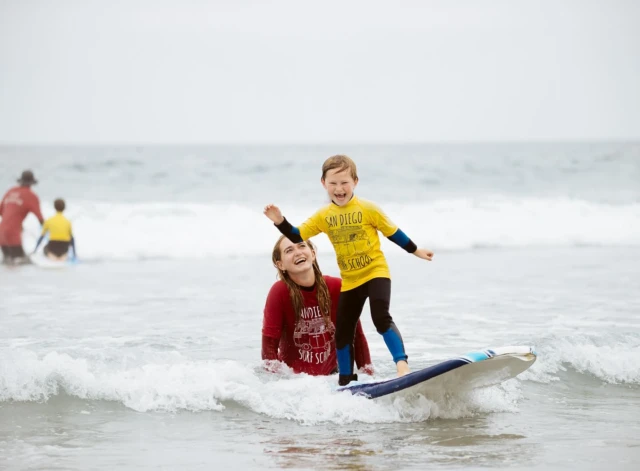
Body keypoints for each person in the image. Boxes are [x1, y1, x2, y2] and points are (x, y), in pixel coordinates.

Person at [264, 155, 433, 386]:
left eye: (344, 182)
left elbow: (392, 232)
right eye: (333, 183)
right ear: (323, 183)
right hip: (351, 280)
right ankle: (345, 381)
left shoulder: (368, 209)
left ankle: (402, 365)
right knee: (343, 332)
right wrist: (280, 221)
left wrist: (415, 251)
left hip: (375, 272)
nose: (339, 188)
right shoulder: (324, 216)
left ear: (355, 181)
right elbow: (297, 234)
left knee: (380, 317)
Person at [262, 234, 373, 377]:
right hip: (295, 381)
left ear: (312, 254)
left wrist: (368, 376)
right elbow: (269, 347)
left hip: (332, 377)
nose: (297, 252)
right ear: (280, 264)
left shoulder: (338, 287)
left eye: (302, 246)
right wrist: (277, 384)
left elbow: (356, 337)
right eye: (289, 250)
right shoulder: (279, 292)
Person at [0, 170, 44, 265]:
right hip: (13, 234)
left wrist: (15, 222)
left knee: (7, 262)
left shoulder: (10, 191)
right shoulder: (31, 196)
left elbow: (1, 211)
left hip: (1, 232)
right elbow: (40, 219)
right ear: (32, 183)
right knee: (22, 263)